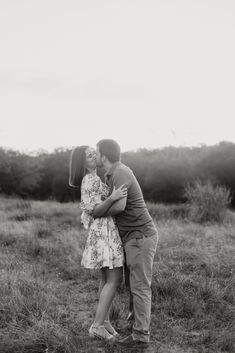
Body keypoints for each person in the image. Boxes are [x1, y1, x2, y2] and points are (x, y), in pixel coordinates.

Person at [95, 139, 158, 348]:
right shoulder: (109, 174)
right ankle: (136, 326)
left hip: (140, 235)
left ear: (104, 155)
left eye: (96, 152)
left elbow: (120, 205)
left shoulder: (120, 172)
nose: (95, 155)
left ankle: (141, 336)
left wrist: (99, 211)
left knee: (139, 286)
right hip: (132, 237)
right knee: (133, 285)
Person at [69, 145, 127, 342]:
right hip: (104, 231)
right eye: (89, 155)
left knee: (105, 279)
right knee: (115, 279)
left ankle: (105, 321)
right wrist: (112, 197)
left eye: (94, 152)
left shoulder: (95, 178)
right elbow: (94, 210)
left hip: (103, 229)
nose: (94, 156)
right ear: (83, 162)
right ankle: (97, 326)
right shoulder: (90, 179)